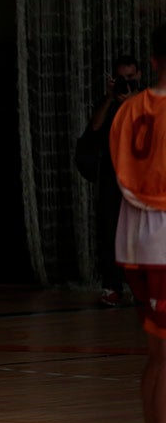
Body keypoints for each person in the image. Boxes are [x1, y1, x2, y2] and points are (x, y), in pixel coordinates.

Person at [109, 24, 166, 423]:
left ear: (152, 61)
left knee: (157, 356)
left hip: (131, 240)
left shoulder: (127, 109)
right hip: (163, 241)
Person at [76, 54, 141, 307]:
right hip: (112, 175)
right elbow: (94, 129)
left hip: (141, 178)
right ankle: (112, 286)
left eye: (130, 78)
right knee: (109, 229)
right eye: (121, 79)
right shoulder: (108, 102)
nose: (126, 83)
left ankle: (142, 287)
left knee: (141, 232)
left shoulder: (146, 101)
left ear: (138, 76)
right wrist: (110, 98)